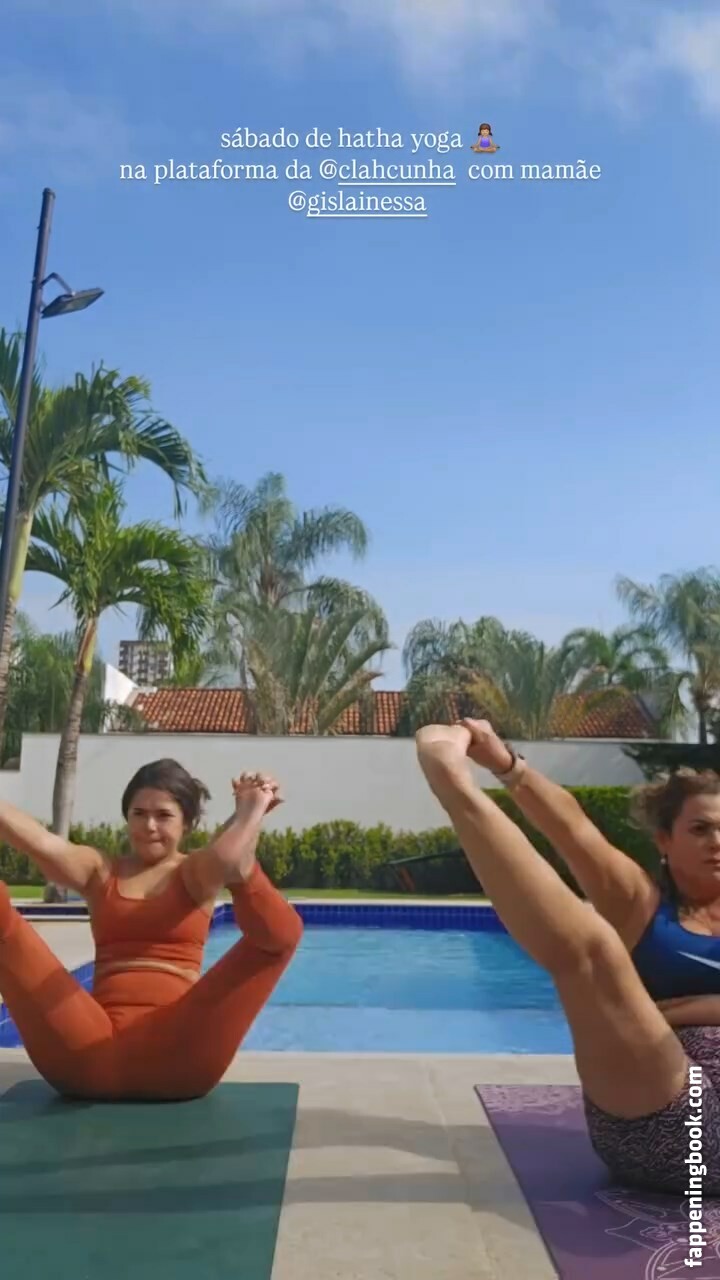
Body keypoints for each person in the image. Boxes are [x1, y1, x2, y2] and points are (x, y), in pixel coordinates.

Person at [415, 718, 720, 1194]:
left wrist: (672, 1011)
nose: (717, 842)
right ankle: (453, 784)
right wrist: (505, 764)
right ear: (664, 839)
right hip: (669, 1120)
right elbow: (575, 830)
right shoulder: (642, 906)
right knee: (595, 947)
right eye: (700, 829)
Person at [0, 759, 303, 1101]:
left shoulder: (193, 872)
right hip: (86, 1054)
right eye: (139, 814)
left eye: (163, 815)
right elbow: (42, 843)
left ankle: (243, 842)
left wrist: (249, 812)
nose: (149, 826)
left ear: (187, 823)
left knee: (280, 933)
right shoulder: (100, 871)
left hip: (178, 1055)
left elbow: (225, 858)